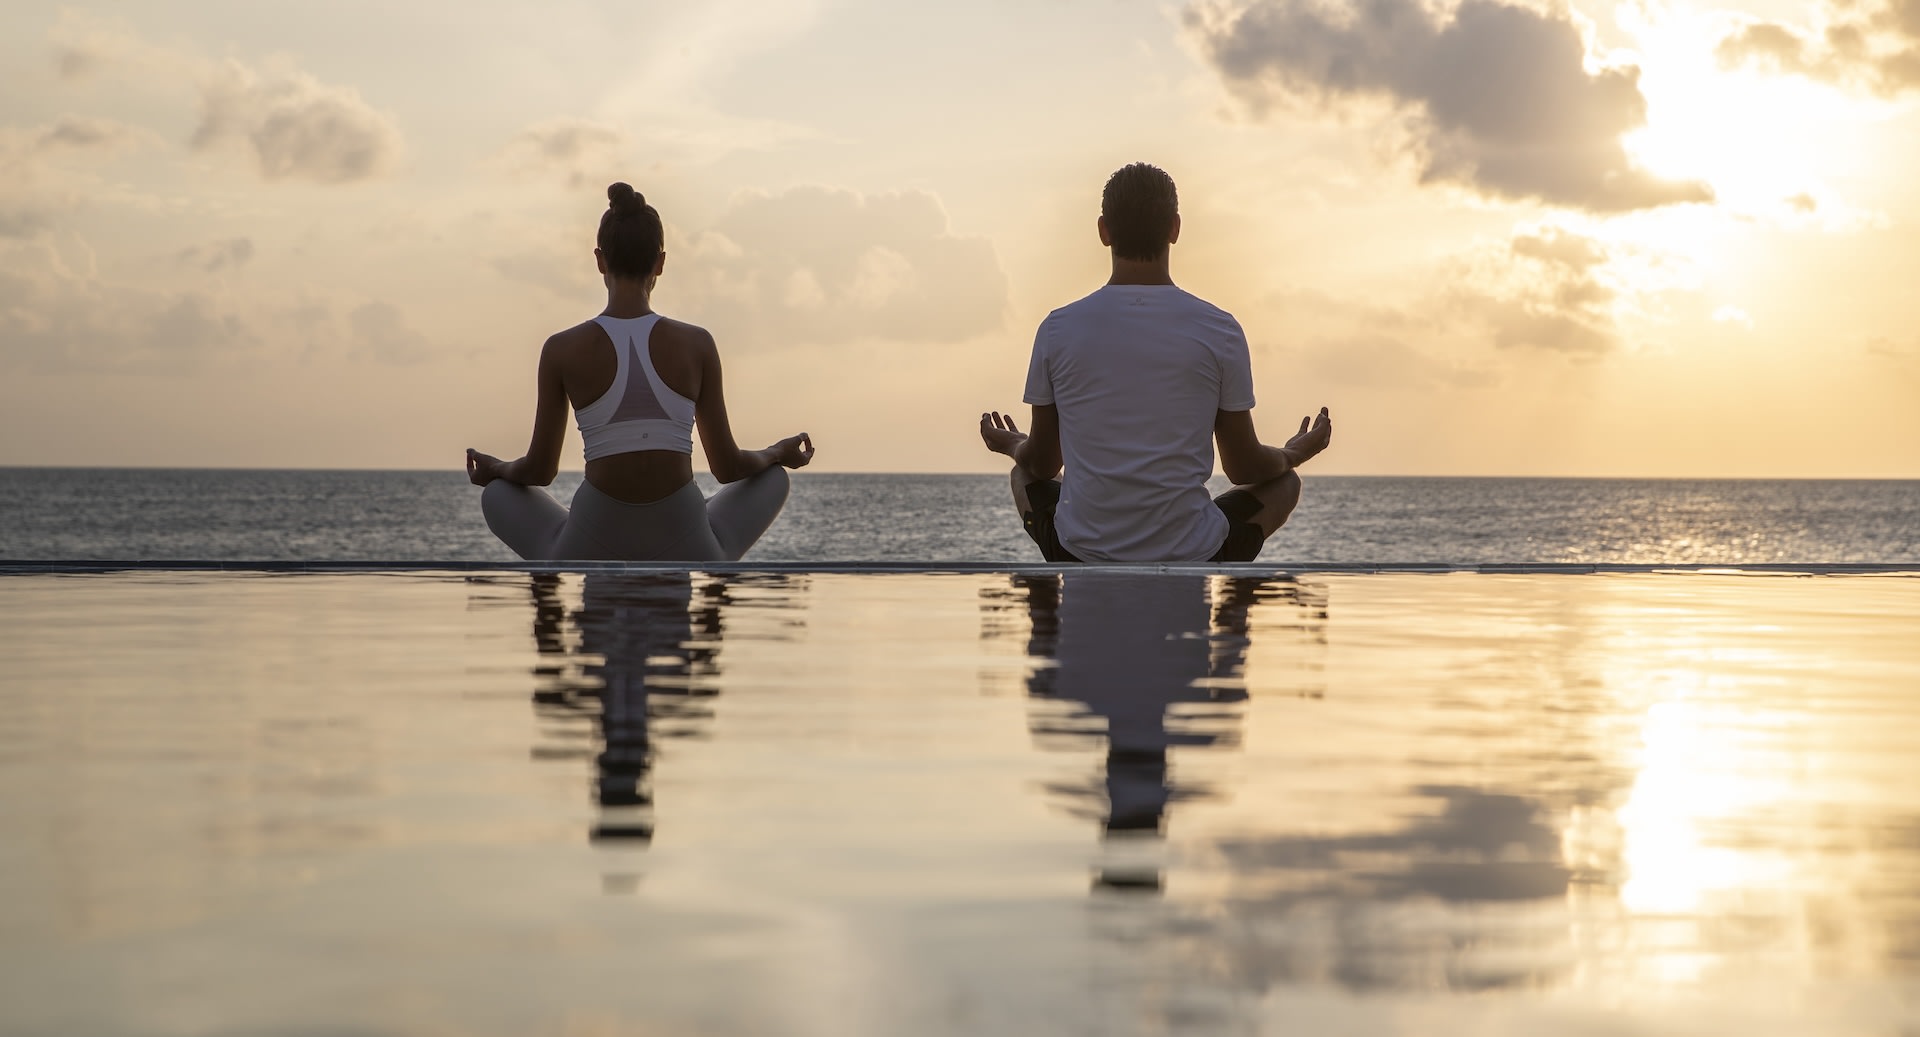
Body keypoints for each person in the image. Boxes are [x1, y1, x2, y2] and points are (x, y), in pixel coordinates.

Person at [978, 162, 1332, 563]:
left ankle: (1046, 621)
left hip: (1079, 551)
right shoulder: (1219, 329)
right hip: (1194, 552)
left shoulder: (1057, 329)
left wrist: (1010, 444)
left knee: (1021, 474)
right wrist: (1294, 453)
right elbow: (1244, 468)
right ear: (1175, 229)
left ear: (1103, 231)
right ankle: (1233, 621)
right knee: (1284, 484)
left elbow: (1042, 464)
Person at [467, 182, 813, 561]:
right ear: (660, 263)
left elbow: (539, 470)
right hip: (686, 538)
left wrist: (496, 468)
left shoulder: (561, 349)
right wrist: (776, 452)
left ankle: (554, 594)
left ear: (600, 260)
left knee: (497, 493)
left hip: (591, 540)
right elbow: (728, 467)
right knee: (774, 477)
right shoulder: (696, 344)